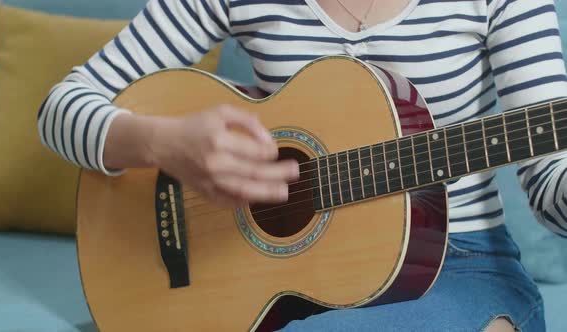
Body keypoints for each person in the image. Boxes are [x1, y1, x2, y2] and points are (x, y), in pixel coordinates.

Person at [37, 0, 567, 330]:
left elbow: (549, 185)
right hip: (282, 273)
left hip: (456, 266)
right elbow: (59, 108)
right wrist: (162, 143)